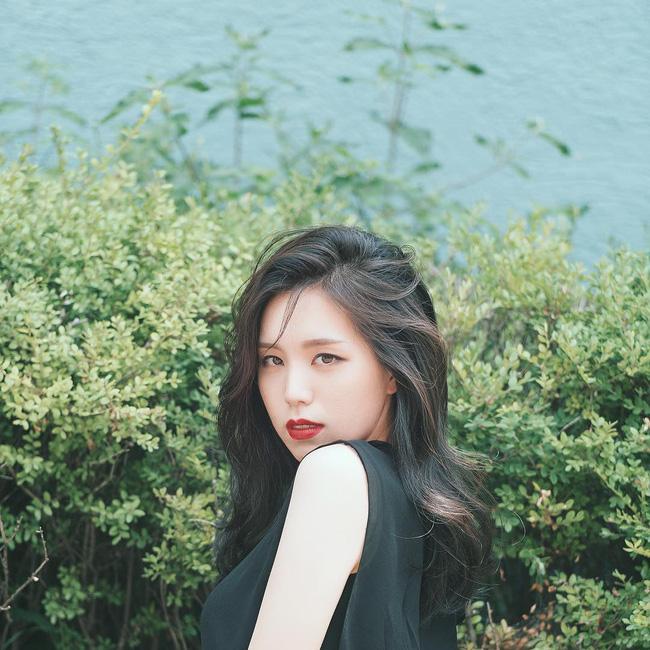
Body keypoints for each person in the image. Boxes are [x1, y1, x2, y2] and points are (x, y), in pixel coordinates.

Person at [200, 224, 497, 649]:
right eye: (272, 360)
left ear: (394, 369)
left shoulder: (334, 476)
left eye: (326, 357)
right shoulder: (417, 499)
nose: (293, 392)